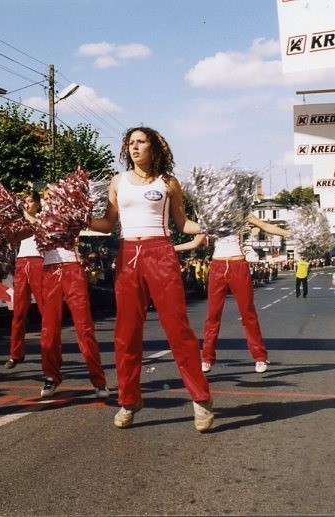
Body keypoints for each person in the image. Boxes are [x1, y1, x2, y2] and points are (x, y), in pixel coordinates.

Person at [89, 126, 213, 432]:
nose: (134, 147)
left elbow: (182, 223)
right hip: (128, 255)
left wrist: (214, 224)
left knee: (178, 328)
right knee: (126, 333)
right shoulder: (117, 182)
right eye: (130, 143)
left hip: (160, 252)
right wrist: (76, 219)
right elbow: (107, 224)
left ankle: (200, 400)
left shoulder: (168, 182)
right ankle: (129, 401)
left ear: (154, 147)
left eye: (141, 142)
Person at [175, 214, 289, 374]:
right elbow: (195, 243)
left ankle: (260, 357)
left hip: (238, 265)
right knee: (213, 315)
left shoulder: (242, 213)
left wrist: (290, 234)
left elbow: (267, 227)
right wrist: (171, 248)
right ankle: (207, 357)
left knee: (248, 312)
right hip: (217, 266)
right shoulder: (211, 217)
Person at [38, 236, 109, 399]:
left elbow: (76, 226)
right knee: (49, 329)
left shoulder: (68, 209)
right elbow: (15, 237)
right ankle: (51, 377)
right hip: (49, 271)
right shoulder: (36, 214)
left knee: (84, 327)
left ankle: (98, 380)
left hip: (72, 268)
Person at [3, 190, 45, 369]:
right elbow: (11, 240)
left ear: (37, 203)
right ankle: (15, 353)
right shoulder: (18, 221)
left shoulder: (43, 218)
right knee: (18, 311)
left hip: (39, 262)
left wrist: (25, 216)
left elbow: (38, 226)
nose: (26, 204)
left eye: (29, 201)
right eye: (24, 201)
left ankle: (51, 352)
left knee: (46, 310)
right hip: (22, 262)